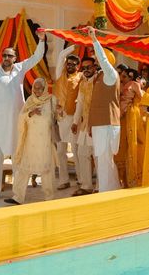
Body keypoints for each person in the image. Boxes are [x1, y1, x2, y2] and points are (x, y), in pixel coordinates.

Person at [0, 31, 46, 200]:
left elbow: (37, 57)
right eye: (4, 55)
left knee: (16, 156)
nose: (6, 58)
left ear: (15, 58)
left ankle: (17, 191)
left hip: (17, 120)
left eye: (10, 55)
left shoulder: (20, 69)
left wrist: (42, 40)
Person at [5, 78, 60, 205]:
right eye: (35, 88)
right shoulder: (30, 100)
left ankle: (49, 197)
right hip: (30, 141)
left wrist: (60, 111)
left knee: (46, 169)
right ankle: (17, 197)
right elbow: (21, 117)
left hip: (45, 140)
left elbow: (59, 118)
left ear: (45, 88)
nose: (37, 91)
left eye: (40, 88)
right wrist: (31, 113)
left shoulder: (52, 99)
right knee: (23, 168)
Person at [86, 27, 121, 193]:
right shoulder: (99, 76)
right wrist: (90, 125)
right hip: (99, 124)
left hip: (108, 123)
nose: (97, 60)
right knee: (101, 158)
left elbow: (104, 61)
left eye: (99, 58)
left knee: (104, 158)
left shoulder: (111, 74)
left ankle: (106, 191)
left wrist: (94, 39)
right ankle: (109, 188)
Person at [52, 45, 82, 190]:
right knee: (60, 151)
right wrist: (76, 44)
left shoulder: (81, 77)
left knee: (76, 150)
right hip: (60, 118)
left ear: (78, 66)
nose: (69, 66)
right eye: (68, 63)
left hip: (73, 118)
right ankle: (64, 180)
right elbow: (61, 55)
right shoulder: (60, 74)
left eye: (73, 64)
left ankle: (82, 179)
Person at [114, 67, 145, 187]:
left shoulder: (133, 84)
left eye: (124, 76)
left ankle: (132, 178)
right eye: (121, 76)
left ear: (131, 77)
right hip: (123, 118)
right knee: (124, 147)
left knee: (131, 145)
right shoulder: (124, 85)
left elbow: (142, 98)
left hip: (130, 118)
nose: (122, 78)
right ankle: (126, 179)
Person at [71, 56, 97, 195]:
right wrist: (75, 122)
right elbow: (79, 104)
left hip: (97, 124)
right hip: (84, 124)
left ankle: (99, 186)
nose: (86, 70)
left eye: (89, 67)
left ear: (94, 67)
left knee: (97, 155)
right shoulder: (83, 83)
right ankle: (86, 185)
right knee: (82, 153)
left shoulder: (99, 82)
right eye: (84, 68)